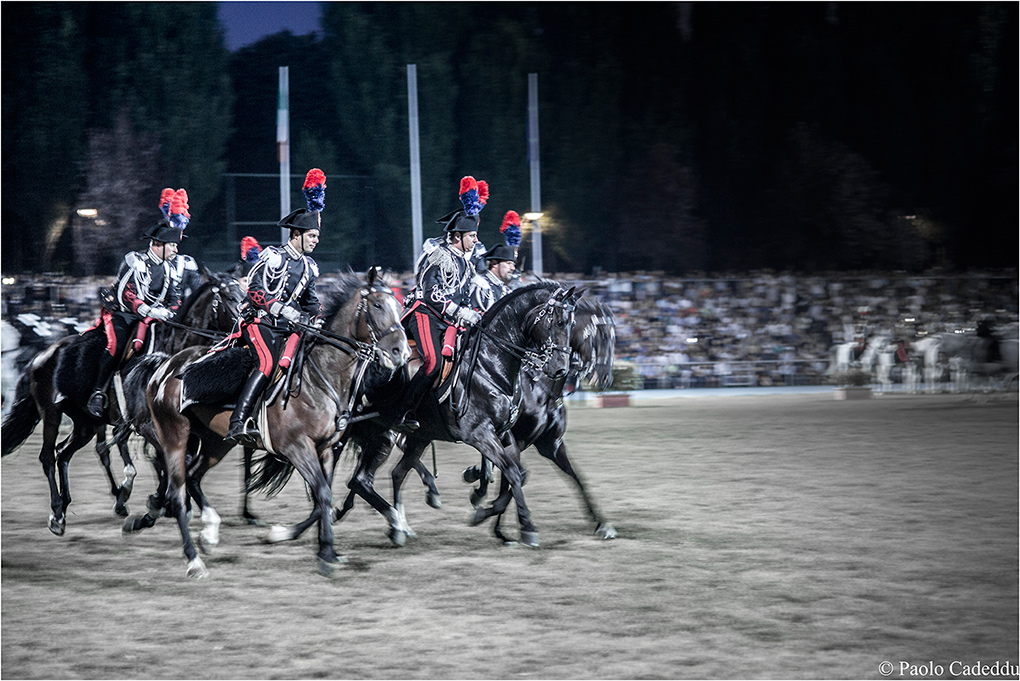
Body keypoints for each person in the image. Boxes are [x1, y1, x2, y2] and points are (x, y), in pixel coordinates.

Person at [224, 169, 326, 446]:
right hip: (260, 322)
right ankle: (238, 422)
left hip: (289, 327)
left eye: (317, 236)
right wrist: (281, 309)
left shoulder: (308, 266)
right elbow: (255, 291)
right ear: (296, 234)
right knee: (267, 363)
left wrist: (317, 317)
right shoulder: (273, 257)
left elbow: (310, 300)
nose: (317, 240)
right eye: (312, 235)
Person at [82, 189, 190, 418]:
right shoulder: (135, 260)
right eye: (173, 246)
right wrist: (148, 309)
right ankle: (98, 392)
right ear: (158, 244)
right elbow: (127, 294)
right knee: (116, 345)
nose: (177, 250)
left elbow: (175, 298)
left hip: (152, 319)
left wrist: (171, 313)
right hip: (124, 315)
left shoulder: (171, 268)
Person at [397, 176, 487, 430]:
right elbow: (431, 294)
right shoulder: (438, 255)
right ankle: (405, 412)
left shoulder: (466, 265)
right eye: (471, 236)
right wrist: (460, 312)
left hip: (448, 321)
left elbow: (465, 297)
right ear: (457, 236)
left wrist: (473, 314)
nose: (475, 241)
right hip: (424, 313)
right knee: (433, 362)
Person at [469, 242, 516, 312]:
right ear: (494, 264)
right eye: (508, 263)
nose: (512, 268)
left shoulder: (505, 290)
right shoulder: (480, 284)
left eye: (513, 264)